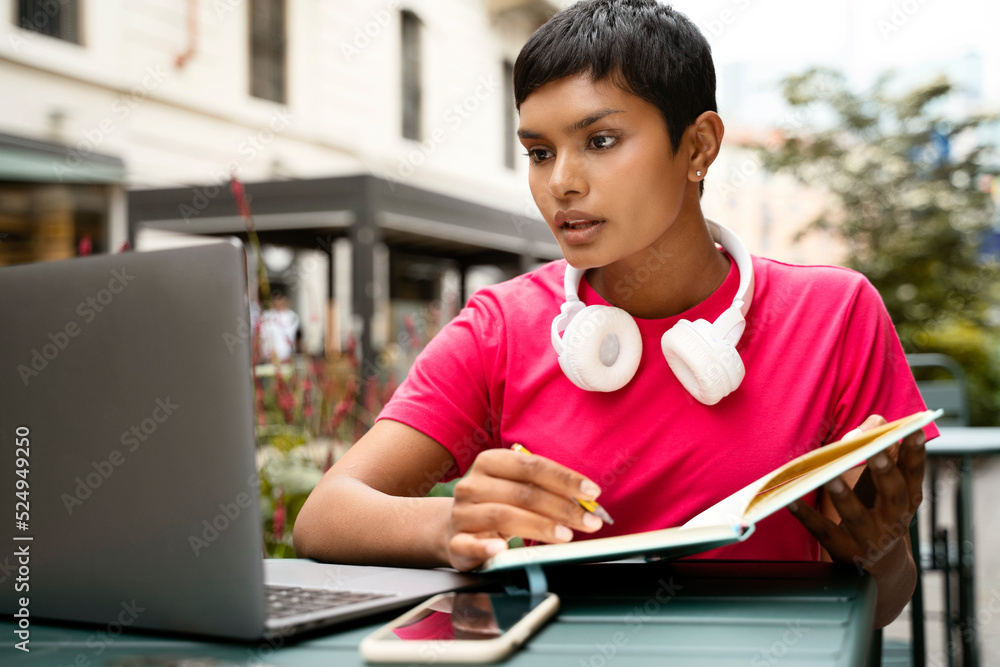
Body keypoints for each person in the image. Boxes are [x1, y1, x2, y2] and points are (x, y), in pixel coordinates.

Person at [294, 0, 936, 629]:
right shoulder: (501, 326)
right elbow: (323, 517)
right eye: (539, 152)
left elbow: (883, 606)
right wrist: (450, 523)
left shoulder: (834, 313)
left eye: (600, 140)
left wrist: (882, 556)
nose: (561, 183)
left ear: (698, 147)